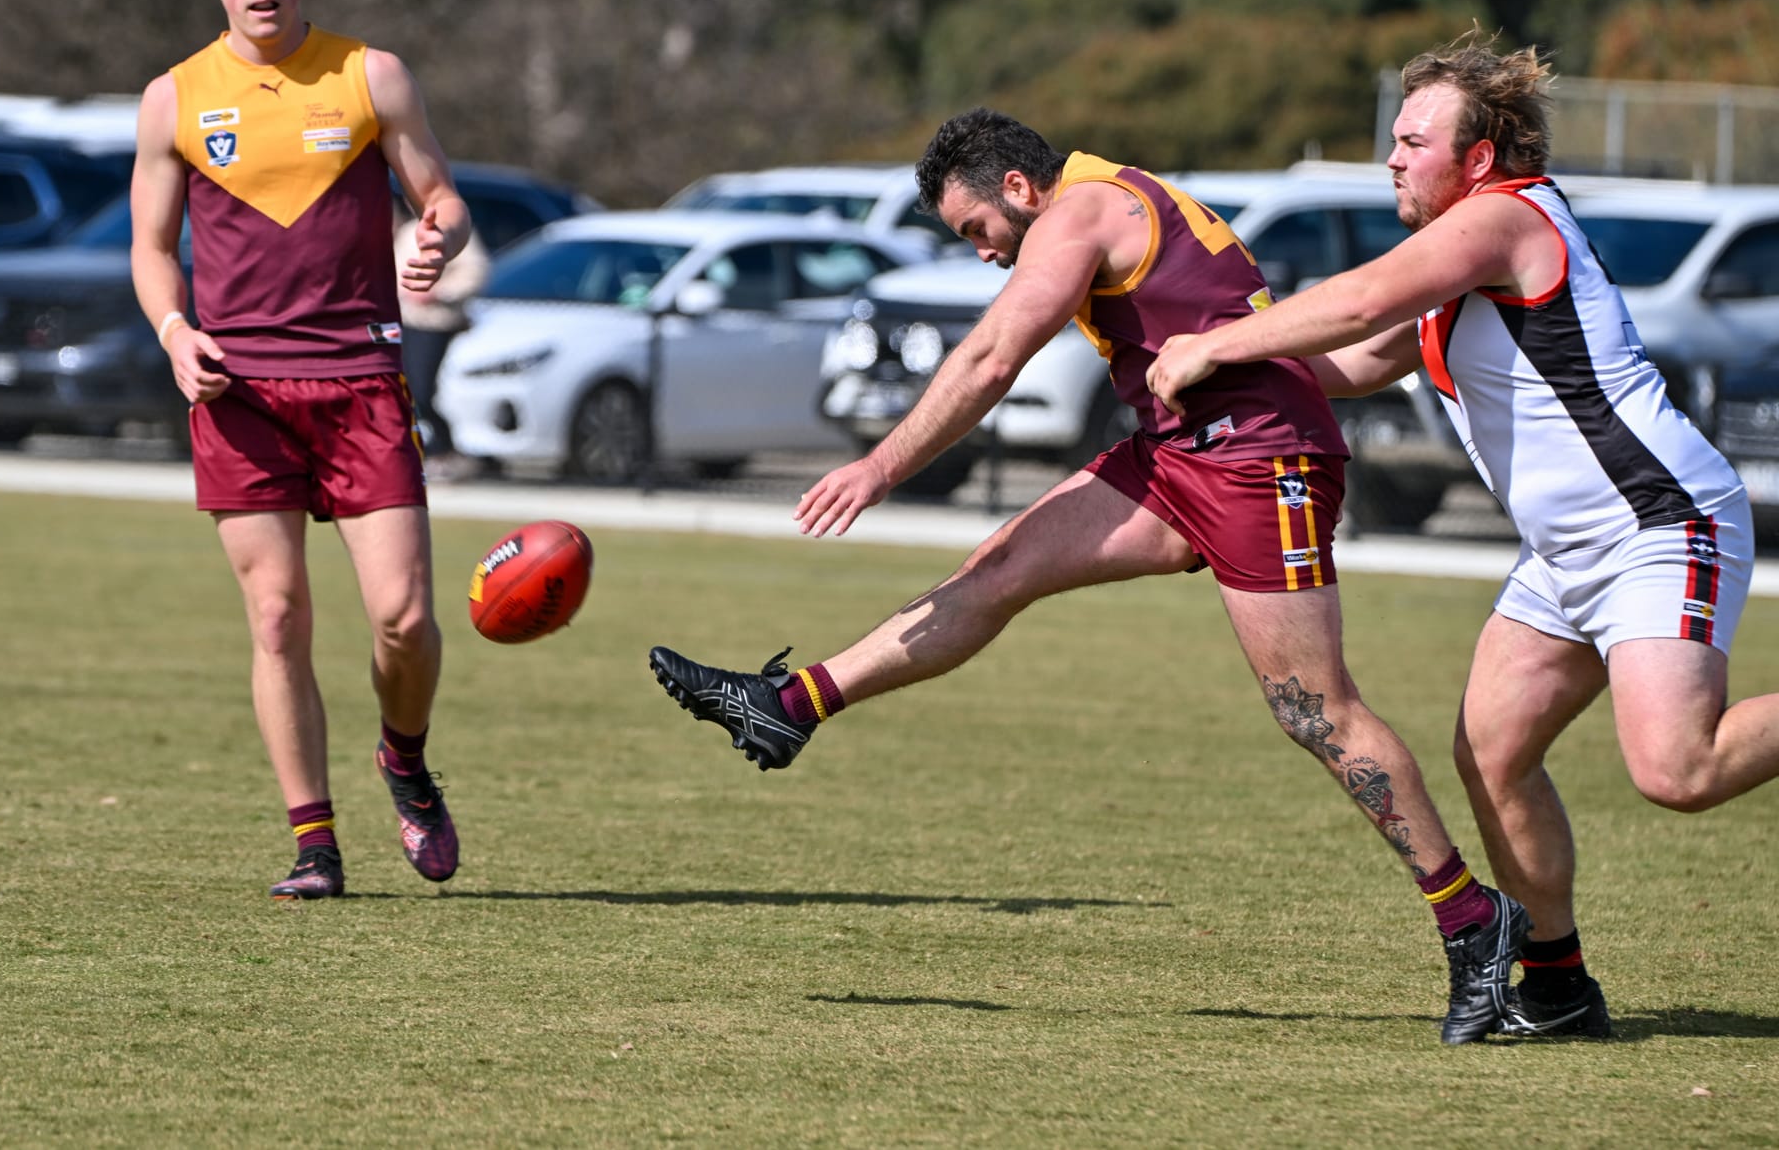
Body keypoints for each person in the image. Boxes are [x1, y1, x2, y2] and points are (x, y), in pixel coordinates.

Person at [649, 108, 1530, 1044]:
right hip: (1180, 453)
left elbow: (994, 356)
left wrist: (879, 466)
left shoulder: (1082, 211)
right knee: (999, 568)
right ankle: (788, 706)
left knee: (1316, 711)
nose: (984, 252)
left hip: (1257, 460)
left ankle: (1473, 919)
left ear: (1018, 189)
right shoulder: (1108, 195)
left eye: (977, 228)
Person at [1147, 34, 1777, 1039]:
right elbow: (1352, 358)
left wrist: (1213, 343)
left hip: (1656, 522)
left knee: (1678, 771)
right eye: (1394, 140)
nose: (1391, 159)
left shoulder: (1503, 219)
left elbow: (1359, 298)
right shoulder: (1461, 259)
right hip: (1566, 553)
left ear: (1477, 158)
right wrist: (1181, 356)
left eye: (1413, 143)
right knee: (1492, 752)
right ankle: (1557, 988)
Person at [130, 0, 473, 900]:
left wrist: (438, 238)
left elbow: (442, 196)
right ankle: (314, 845)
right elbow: (151, 249)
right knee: (277, 618)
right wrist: (174, 332)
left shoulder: (371, 76)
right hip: (238, 392)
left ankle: (404, 758)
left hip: (360, 378)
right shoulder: (173, 97)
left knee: (404, 616)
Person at [393, 204, 490, 480]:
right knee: (404, 389)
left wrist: (438, 292)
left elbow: (475, 272)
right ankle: (417, 451)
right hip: (405, 321)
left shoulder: (454, 231)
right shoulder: (407, 233)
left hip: (435, 323)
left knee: (422, 390)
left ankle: (445, 449)